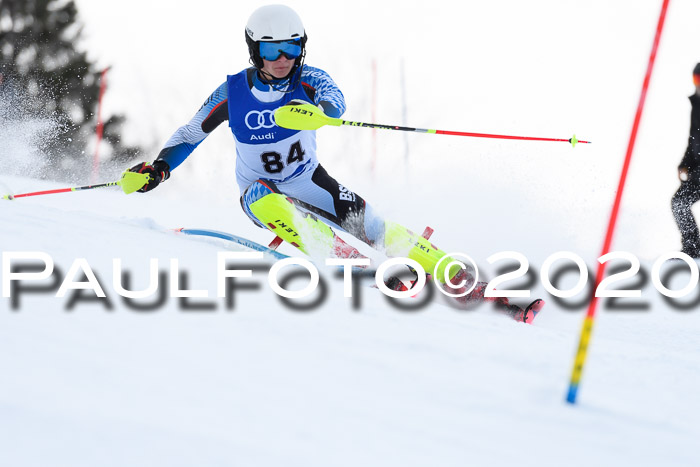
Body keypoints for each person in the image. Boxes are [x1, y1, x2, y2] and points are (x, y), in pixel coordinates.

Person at [127, 4, 540, 321]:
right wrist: (160, 168)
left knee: (375, 226)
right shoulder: (232, 92)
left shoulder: (308, 79)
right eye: (272, 48)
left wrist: (319, 111)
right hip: (260, 193)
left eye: (292, 47)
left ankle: (463, 279)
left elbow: (335, 99)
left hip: (310, 181)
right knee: (263, 197)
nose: (282, 57)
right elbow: (189, 133)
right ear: (255, 49)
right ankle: (355, 266)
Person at [672, 63, 700, 258]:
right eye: (696, 80)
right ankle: (692, 247)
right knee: (679, 202)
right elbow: (693, 140)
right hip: (698, 171)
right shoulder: (696, 105)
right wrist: (685, 163)